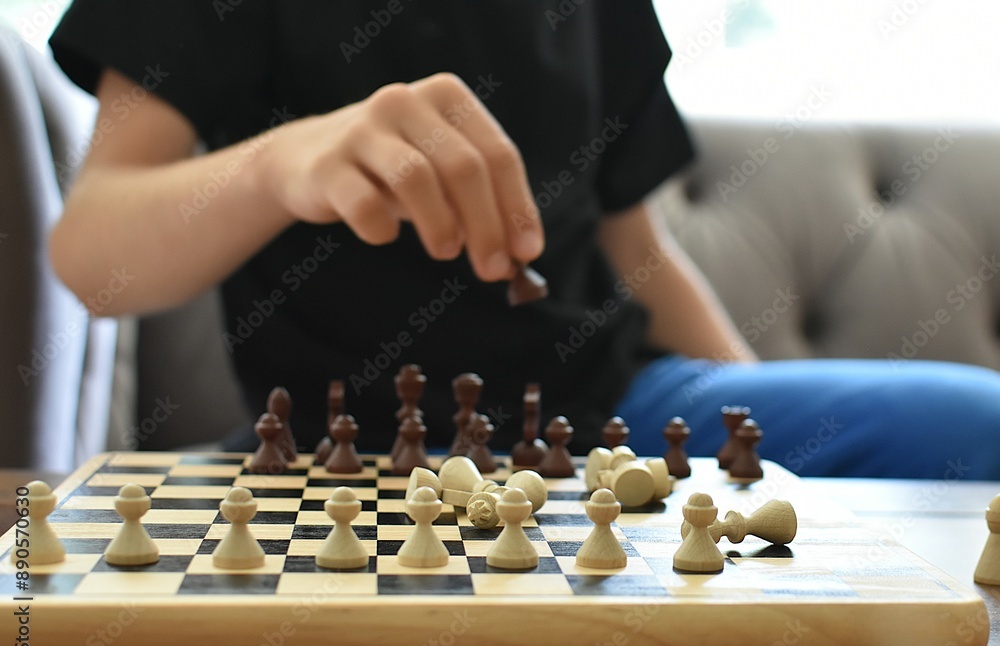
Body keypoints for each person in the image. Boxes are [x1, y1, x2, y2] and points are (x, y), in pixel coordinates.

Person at [46, 1, 1000, 479]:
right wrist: (278, 164)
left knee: (978, 425)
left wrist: (755, 427)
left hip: (624, 410)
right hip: (339, 458)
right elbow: (93, 254)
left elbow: (636, 250)